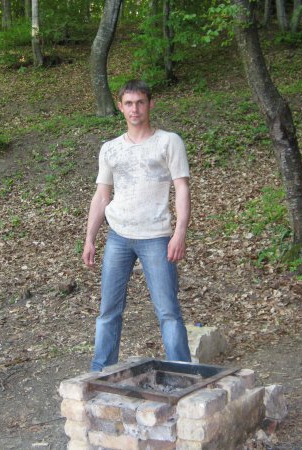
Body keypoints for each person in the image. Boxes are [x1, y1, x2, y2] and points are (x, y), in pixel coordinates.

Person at [82, 79, 192, 371]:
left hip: (156, 237)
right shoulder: (110, 149)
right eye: (129, 103)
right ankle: (100, 373)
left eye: (140, 102)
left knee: (168, 312)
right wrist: (90, 238)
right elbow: (102, 195)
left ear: (150, 104)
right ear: (120, 107)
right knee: (108, 311)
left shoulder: (169, 142)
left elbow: (182, 187)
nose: (135, 109)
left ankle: (183, 373)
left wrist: (180, 232)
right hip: (118, 237)